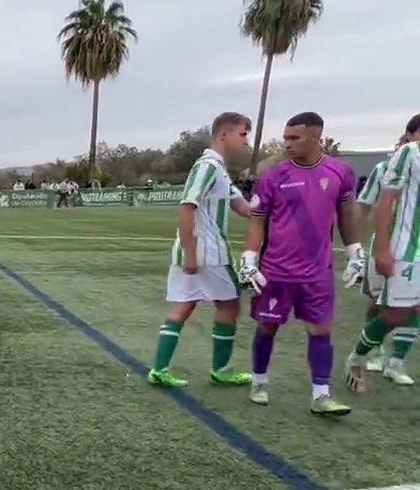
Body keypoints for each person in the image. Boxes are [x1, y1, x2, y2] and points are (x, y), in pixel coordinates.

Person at [238, 112, 363, 415]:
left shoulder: (340, 173)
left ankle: (321, 395)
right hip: (277, 271)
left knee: (320, 331)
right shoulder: (274, 177)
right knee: (267, 327)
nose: (288, 143)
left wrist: (357, 252)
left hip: (318, 272)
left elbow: (346, 215)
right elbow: (258, 223)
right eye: (286, 137)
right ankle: (259, 380)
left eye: (295, 138)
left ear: (317, 138)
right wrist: (250, 259)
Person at [147, 112, 255, 388]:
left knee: (185, 304)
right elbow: (187, 207)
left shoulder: (219, 170)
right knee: (229, 305)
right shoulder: (207, 166)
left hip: (196, 251)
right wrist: (192, 254)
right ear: (223, 135)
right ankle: (221, 370)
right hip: (209, 252)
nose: (246, 140)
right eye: (242, 134)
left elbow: (245, 208)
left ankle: (160, 369)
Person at [344, 113, 420, 392]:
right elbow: (377, 204)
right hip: (403, 250)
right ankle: (360, 356)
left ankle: (395, 361)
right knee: (389, 309)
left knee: (413, 310)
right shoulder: (407, 155)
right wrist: (364, 249)